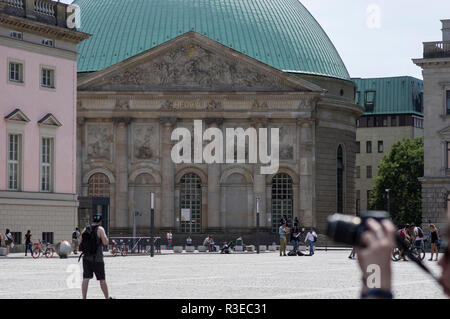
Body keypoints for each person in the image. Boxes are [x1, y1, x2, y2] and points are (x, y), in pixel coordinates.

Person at [357, 219, 450, 299]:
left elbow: (408, 236)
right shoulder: (404, 230)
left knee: (406, 246)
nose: (439, 263)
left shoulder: (408, 230)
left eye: (447, 253)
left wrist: (377, 289)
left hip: (401, 241)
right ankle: (402, 255)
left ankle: (402, 254)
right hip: (400, 241)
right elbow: (405, 236)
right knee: (404, 248)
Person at [78, 215, 112, 299]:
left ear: (92, 221)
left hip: (86, 258)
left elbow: (79, 242)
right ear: (100, 222)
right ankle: (107, 297)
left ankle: (84, 298)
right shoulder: (100, 229)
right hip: (97, 259)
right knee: (102, 280)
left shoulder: (85, 229)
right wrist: (107, 239)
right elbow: (105, 242)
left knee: (86, 278)